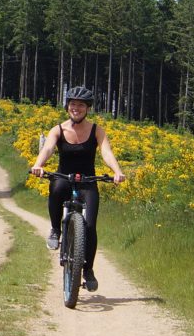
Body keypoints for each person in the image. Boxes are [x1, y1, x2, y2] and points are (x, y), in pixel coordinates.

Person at [30, 86, 125, 292]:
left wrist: (117, 171)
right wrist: (39, 165)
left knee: (89, 226)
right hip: (64, 176)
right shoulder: (58, 129)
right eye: (73, 104)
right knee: (56, 189)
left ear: (87, 108)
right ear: (67, 106)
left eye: (81, 105)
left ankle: (88, 270)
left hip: (88, 181)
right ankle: (56, 229)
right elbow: (47, 148)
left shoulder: (96, 130)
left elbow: (106, 153)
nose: (76, 108)